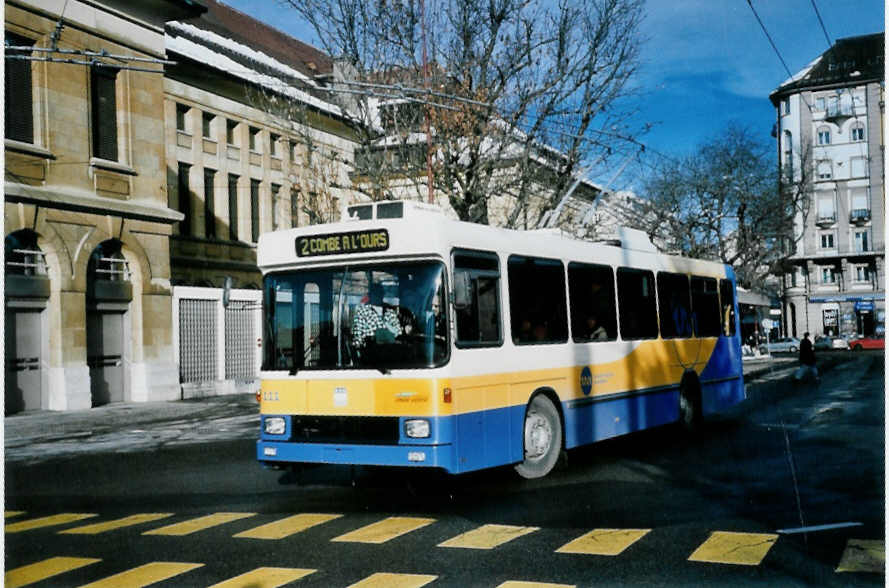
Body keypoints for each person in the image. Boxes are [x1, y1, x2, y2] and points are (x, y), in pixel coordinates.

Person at [350, 282, 401, 350]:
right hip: (371, 352)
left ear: (383, 295)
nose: (377, 296)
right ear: (370, 295)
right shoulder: (362, 313)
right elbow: (358, 336)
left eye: (379, 293)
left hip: (391, 351)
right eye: (375, 293)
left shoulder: (390, 313)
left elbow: (398, 333)